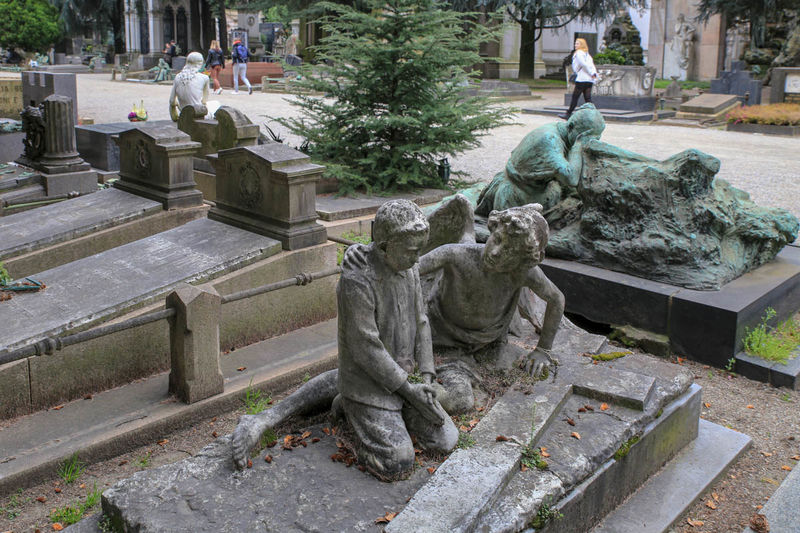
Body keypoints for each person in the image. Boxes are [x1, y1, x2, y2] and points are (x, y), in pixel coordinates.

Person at [234, 200, 457, 476]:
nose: (417, 259)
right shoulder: (358, 279)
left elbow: (421, 322)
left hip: (406, 381)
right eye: (411, 251)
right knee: (397, 463)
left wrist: (425, 378)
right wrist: (409, 390)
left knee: (446, 440)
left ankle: (356, 409)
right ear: (385, 245)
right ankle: (349, 414)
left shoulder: (408, 268)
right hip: (369, 387)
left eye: (419, 250)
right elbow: (367, 348)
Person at [476, 103, 605, 215]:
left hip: (541, 191)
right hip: (519, 200)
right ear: (571, 126)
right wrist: (578, 146)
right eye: (586, 138)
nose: (588, 143)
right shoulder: (549, 140)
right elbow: (571, 178)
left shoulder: (562, 130)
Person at [168, 51, 210, 121]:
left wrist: (175, 114)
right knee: (216, 104)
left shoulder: (177, 77)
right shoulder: (204, 78)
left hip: (183, 112)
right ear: (200, 63)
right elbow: (204, 102)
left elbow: (172, 101)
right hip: (198, 113)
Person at [564, 38, 598, 119]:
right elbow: (591, 65)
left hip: (582, 78)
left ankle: (568, 113)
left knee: (575, 97)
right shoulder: (587, 54)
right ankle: (594, 114)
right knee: (588, 98)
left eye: (577, 44)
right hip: (589, 79)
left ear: (582, 45)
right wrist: (593, 74)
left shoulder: (579, 53)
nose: (575, 45)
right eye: (575, 43)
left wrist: (591, 73)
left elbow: (584, 64)